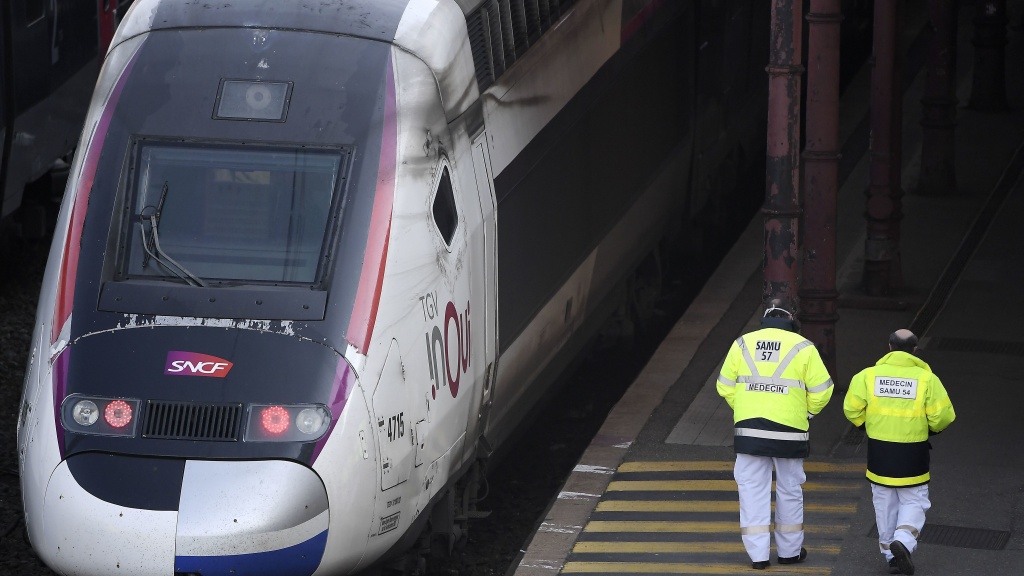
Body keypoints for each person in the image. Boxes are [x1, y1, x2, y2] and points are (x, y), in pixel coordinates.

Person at [716, 300, 834, 569]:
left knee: (751, 492)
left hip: (749, 432)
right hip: (790, 433)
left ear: (765, 320)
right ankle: (789, 553)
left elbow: (724, 386)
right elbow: (823, 390)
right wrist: (805, 415)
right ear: (792, 321)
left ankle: (758, 557)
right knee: (790, 490)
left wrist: (746, 409)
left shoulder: (742, 344)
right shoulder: (804, 347)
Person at [843, 329, 955, 575]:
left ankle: (890, 556)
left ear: (889, 347)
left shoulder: (867, 376)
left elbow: (851, 409)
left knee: (884, 504)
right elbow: (943, 417)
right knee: (914, 500)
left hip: (879, 453)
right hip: (913, 453)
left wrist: (869, 425)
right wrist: (929, 430)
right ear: (915, 350)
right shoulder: (927, 379)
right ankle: (903, 540)